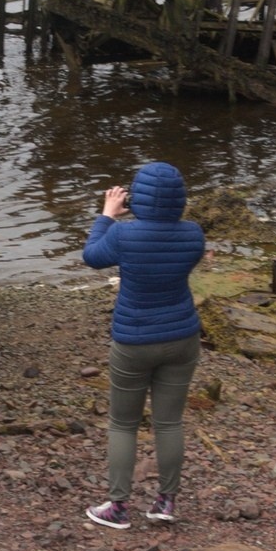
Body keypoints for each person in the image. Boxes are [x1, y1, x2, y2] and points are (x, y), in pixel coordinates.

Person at [80, 162, 207, 528]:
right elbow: (166, 241)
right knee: (169, 423)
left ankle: (118, 507)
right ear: (179, 199)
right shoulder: (194, 235)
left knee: (123, 424)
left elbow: (92, 257)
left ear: (137, 198)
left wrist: (107, 215)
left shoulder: (124, 236)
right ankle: (165, 503)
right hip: (182, 337)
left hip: (134, 340)